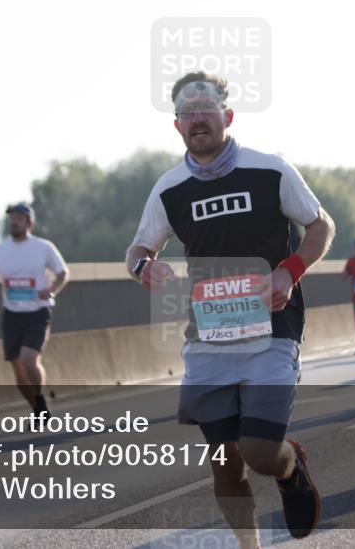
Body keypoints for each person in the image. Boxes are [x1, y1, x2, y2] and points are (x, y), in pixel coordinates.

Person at [125, 72, 335, 546]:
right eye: (186, 111)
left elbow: (320, 226)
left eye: (206, 108)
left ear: (228, 116)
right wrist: (143, 267)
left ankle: (289, 466)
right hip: (209, 335)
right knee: (224, 457)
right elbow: (139, 247)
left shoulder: (270, 169)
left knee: (259, 452)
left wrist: (289, 271)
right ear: (176, 125)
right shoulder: (169, 187)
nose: (196, 117)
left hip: (272, 328)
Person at [0, 203, 69, 417]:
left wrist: (52, 290)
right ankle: (37, 409)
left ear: (30, 223)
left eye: (19, 218)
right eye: (11, 217)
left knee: (29, 360)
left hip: (37, 313)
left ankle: (39, 399)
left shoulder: (43, 247)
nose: (14, 221)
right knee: (18, 369)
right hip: (11, 315)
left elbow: (62, 273)